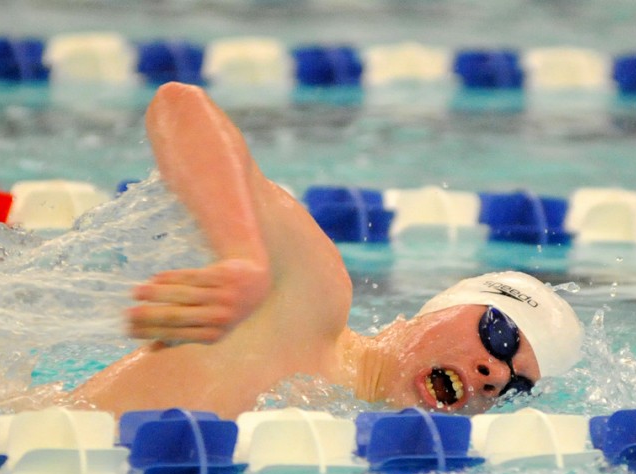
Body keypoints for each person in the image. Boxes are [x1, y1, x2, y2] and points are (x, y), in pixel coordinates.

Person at [65, 81, 583, 420]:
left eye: (516, 386)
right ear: (437, 311)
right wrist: (244, 257)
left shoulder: (345, 436)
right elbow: (179, 106)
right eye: (498, 334)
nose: (495, 376)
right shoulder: (310, 305)